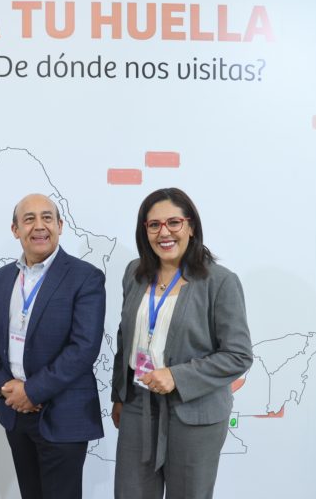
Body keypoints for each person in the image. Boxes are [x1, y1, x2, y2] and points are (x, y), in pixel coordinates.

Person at [110, 187, 253, 499]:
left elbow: (238, 355)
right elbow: (126, 337)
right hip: (139, 405)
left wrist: (176, 376)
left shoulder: (220, 282)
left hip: (195, 412)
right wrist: (119, 395)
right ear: (144, 230)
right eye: (154, 224)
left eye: (173, 222)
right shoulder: (134, 273)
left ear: (190, 226)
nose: (165, 232)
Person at [0, 193, 106, 499]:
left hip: (63, 414)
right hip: (15, 413)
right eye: (29, 219)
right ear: (15, 229)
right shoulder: (3, 277)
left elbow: (83, 347)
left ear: (60, 225)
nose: (39, 226)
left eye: (47, 217)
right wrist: (6, 386)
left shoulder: (85, 277)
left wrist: (31, 391)